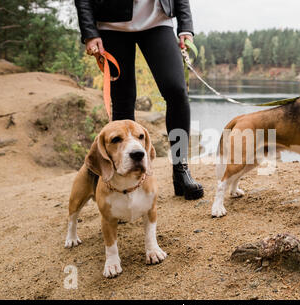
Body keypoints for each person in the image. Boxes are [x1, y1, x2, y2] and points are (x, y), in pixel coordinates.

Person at [75, 0, 204, 200]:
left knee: (177, 91)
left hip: (157, 21)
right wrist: (90, 32)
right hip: (112, 25)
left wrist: (185, 26)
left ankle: (181, 170)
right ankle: (123, 183)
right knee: (123, 101)